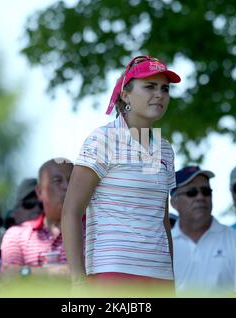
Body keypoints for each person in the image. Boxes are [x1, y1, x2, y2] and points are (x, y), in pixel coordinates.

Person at [62, 55, 181, 289]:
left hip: (160, 275)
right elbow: (71, 212)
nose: (160, 94)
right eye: (149, 86)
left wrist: (171, 279)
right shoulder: (103, 139)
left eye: (165, 89)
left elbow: (162, 220)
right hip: (113, 274)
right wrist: (78, 282)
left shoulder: (165, 149)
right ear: (125, 94)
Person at [171, 166, 236, 295]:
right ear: (174, 203)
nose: (200, 197)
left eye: (206, 191)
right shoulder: (163, 249)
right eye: (191, 192)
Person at [0, 158, 73, 277]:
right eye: (57, 181)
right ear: (39, 192)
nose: (67, 186)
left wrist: (27, 273)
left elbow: (93, 277)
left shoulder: (97, 230)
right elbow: (9, 281)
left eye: (72, 181)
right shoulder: (16, 235)